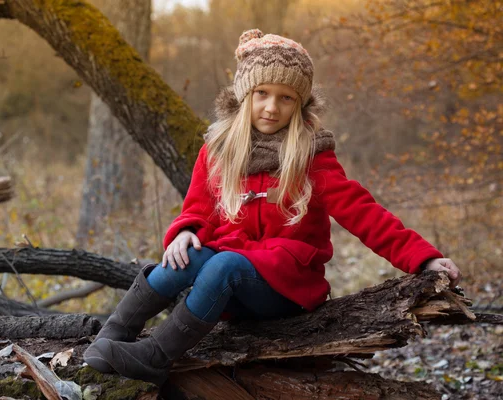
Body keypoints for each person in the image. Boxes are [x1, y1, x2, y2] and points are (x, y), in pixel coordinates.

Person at [83, 29, 462, 386]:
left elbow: (365, 214)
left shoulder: (312, 156)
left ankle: (155, 356)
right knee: (188, 257)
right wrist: (184, 232)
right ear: (244, 95)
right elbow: (197, 209)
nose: (271, 107)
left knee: (222, 263)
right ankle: (113, 333)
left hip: (287, 287)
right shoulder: (217, 151)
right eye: (261, 93)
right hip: (231, 283)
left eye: (286, 98)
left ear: (300, 103)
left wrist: (423, 259)